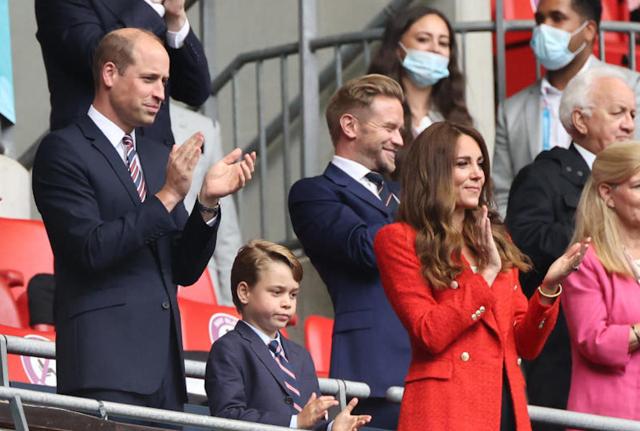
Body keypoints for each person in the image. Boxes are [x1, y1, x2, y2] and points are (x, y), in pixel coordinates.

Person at [31, 28, 256, 413]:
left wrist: (205, 202)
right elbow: (89, 249)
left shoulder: (155, 156)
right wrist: (168, 195)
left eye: (165, 82)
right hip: (103, 367)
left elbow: (183, 269)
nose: (161, 93)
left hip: (165, 371)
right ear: (109, 74)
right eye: (149, 79)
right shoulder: (62, 150)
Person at [374, 121, 588, 431]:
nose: (478, 174)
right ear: (433, 172)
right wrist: (485, 275)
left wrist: (549, 288)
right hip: (446, 408)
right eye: (463, 164)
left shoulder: (497, 240)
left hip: (506, 405)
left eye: (480, 164)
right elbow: (429, 333)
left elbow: (525, 345)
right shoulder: (398, 239)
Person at [505, 66, 636, 424]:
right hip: (560, 357)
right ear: (579, 119)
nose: (628, 124)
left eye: (633, 114)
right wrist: (601, 233)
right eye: (617, 112)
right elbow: (523, 242)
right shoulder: (543, 175)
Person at [288, 74, 410, 429]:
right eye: (390, 127)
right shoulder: (314, 193)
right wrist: (423, 215)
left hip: (434, 359)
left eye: (401, 129)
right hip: (375, 364)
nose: (399, 140)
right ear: (350, 126)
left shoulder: (406, 194)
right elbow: (365, 249)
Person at [492, 0, 640, 215]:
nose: (544, 28)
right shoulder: (512, 110)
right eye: (540, 20)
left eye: (557, 18)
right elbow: (502, 196)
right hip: (536, 242)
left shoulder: (632, 87)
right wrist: (520, 243)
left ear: (589, 30)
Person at [205, 240, 371, 430]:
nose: (287, 303)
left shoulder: (300, 355)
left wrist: (332, 427)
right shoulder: (229, 349)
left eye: (293, 294)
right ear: (244, 292)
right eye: (277, 292)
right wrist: (295, 422)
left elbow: (310, 422)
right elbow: (226, 416)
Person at [35, 0, 211, 147]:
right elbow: (98, 58)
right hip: (91, 153)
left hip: (155, 158)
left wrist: (176, 18)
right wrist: (151, 5)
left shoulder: (151, 8)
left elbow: (196, 91)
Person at [562, 141, 640, 423]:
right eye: (639, 186)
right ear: (607, 193)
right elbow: (593, 341)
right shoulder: (586, 260)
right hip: (608, 415)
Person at [368, 5, 472, 177]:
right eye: (423, 39)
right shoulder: (373, 113)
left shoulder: (456, 115)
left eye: (443, 43)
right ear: (398, 49)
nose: (435, 49)